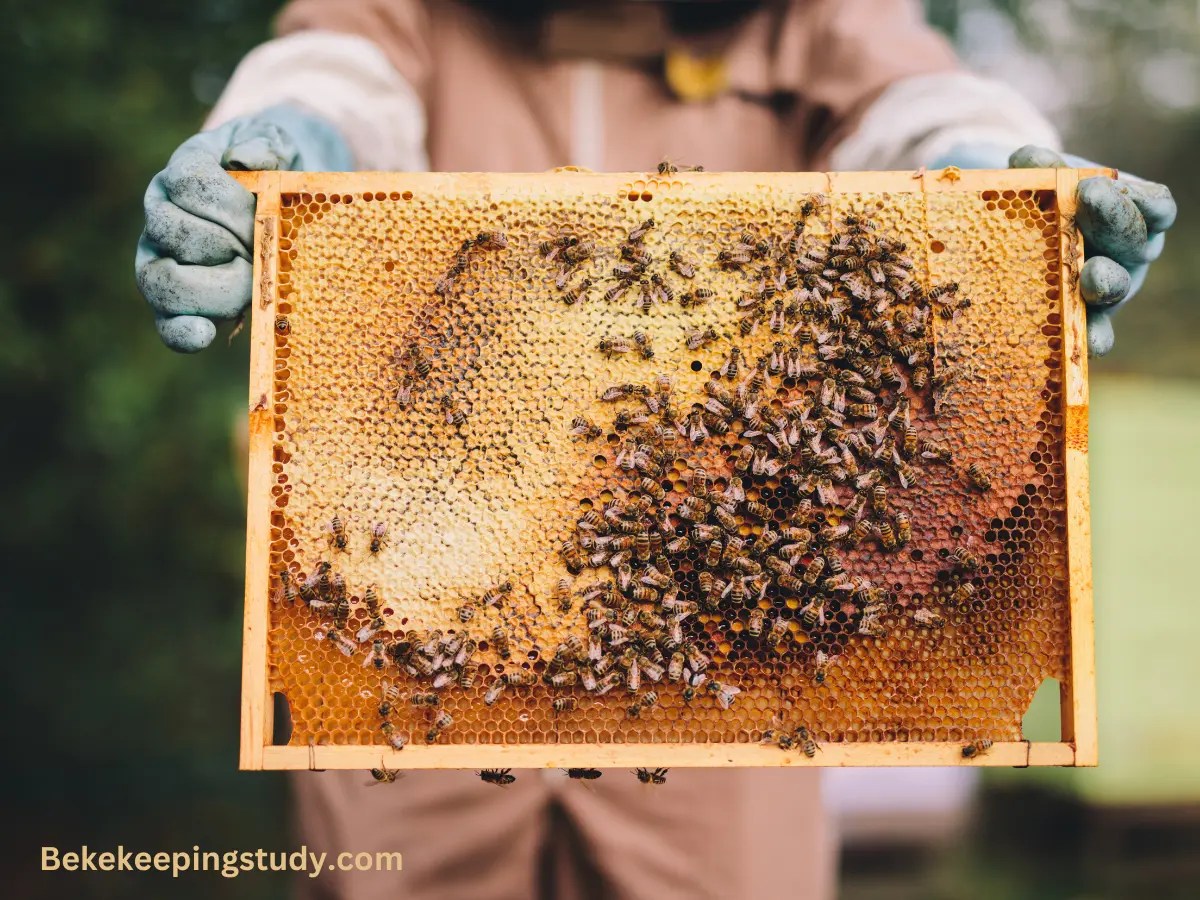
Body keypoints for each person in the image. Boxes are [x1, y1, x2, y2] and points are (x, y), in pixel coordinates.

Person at [134, 2, 1175, 898]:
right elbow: (337, 68)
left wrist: (998, 180)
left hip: (725, 655)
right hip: (410, 629)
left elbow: (917, 104)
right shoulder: (418, 14)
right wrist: (282, 145)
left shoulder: (810, 16)